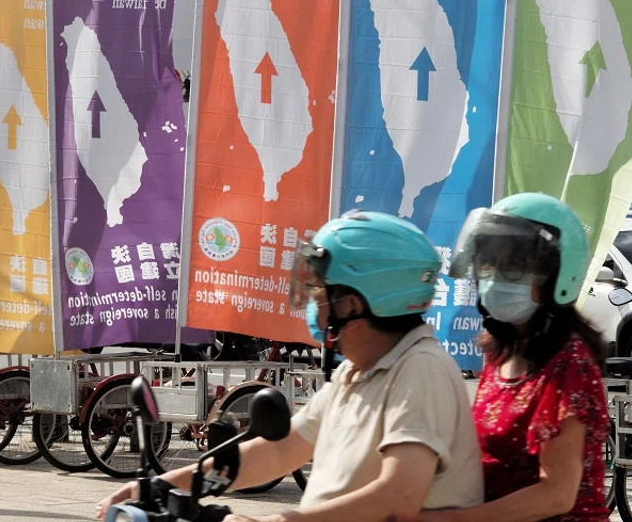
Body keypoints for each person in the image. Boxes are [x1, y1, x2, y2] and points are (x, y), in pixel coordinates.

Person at [97, 210, 484, 522]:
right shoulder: (356, 371)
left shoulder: (420, 369)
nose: (314, 304)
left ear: (354, 302)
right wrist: (163, 486)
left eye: (320, 292)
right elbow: (279, 452)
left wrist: (282, 520)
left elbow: (397, 496)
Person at [419, 192, 610, 522]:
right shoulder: (499, 351)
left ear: (558, 276)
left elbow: (556, 495)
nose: (495, 278)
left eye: (516, 266)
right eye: (490, 264)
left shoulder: (570, 363)